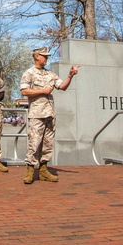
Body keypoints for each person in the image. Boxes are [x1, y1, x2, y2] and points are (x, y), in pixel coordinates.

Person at [19, 46, 79, 184]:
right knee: (34, 143)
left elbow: (62, 86)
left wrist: (70, 75)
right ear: (36, 56)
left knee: (47, 144)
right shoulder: (29, 73)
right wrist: (42, 91)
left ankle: (43, 170)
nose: (46, 58)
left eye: (47, 56)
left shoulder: (50, 74)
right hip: (36, 114)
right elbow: (24, 91)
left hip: (49, 114)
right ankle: (29, 171)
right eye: (44, 56)